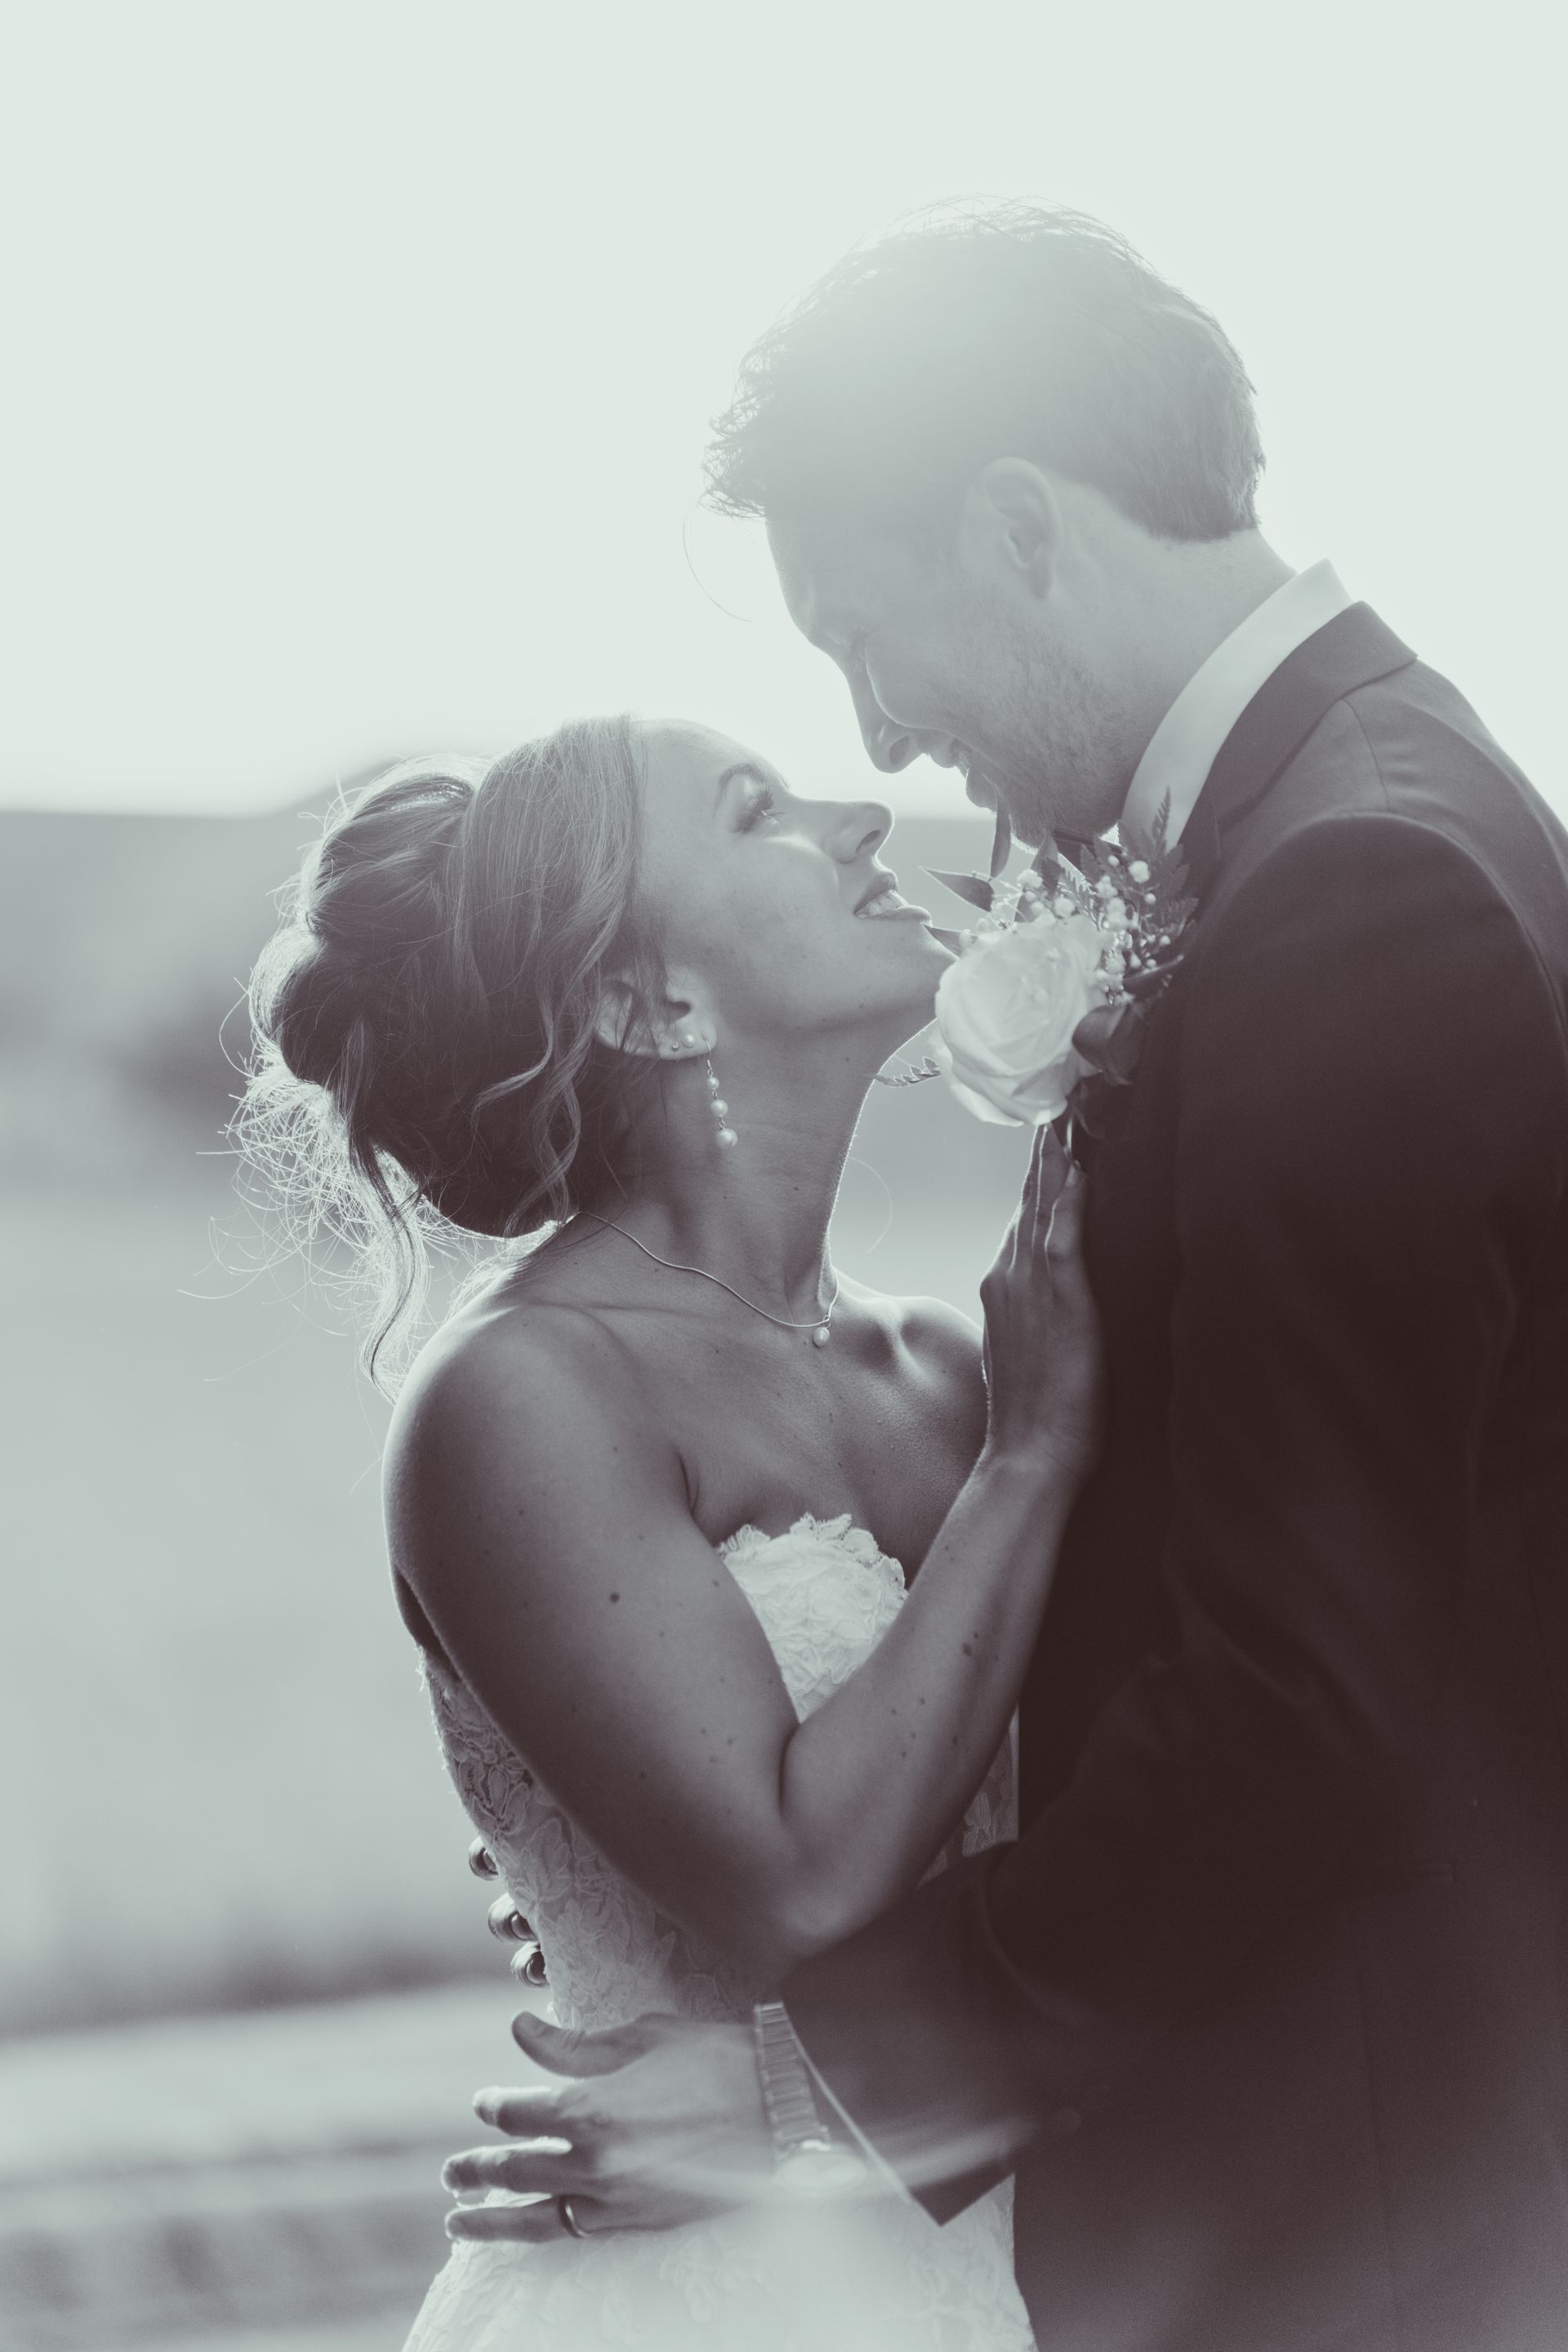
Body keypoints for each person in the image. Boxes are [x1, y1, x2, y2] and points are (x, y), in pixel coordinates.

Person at [452, 206, 1568, 2350]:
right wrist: (632, 1824)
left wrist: (808, 2085)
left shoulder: (1352, 886)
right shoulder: (1357, 813)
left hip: (1351, 2204)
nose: (883, 739)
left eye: (865, 636)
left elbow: (1303, 1698)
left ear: (1023, 529)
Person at [239, 714, 1104, 2350]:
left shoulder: (952, 1362)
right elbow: (801, 1890)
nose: (861, 817)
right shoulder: (524, 1392)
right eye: (757, 810)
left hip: (978, 2263)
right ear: (651, 1002)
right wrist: (1037, 1459)